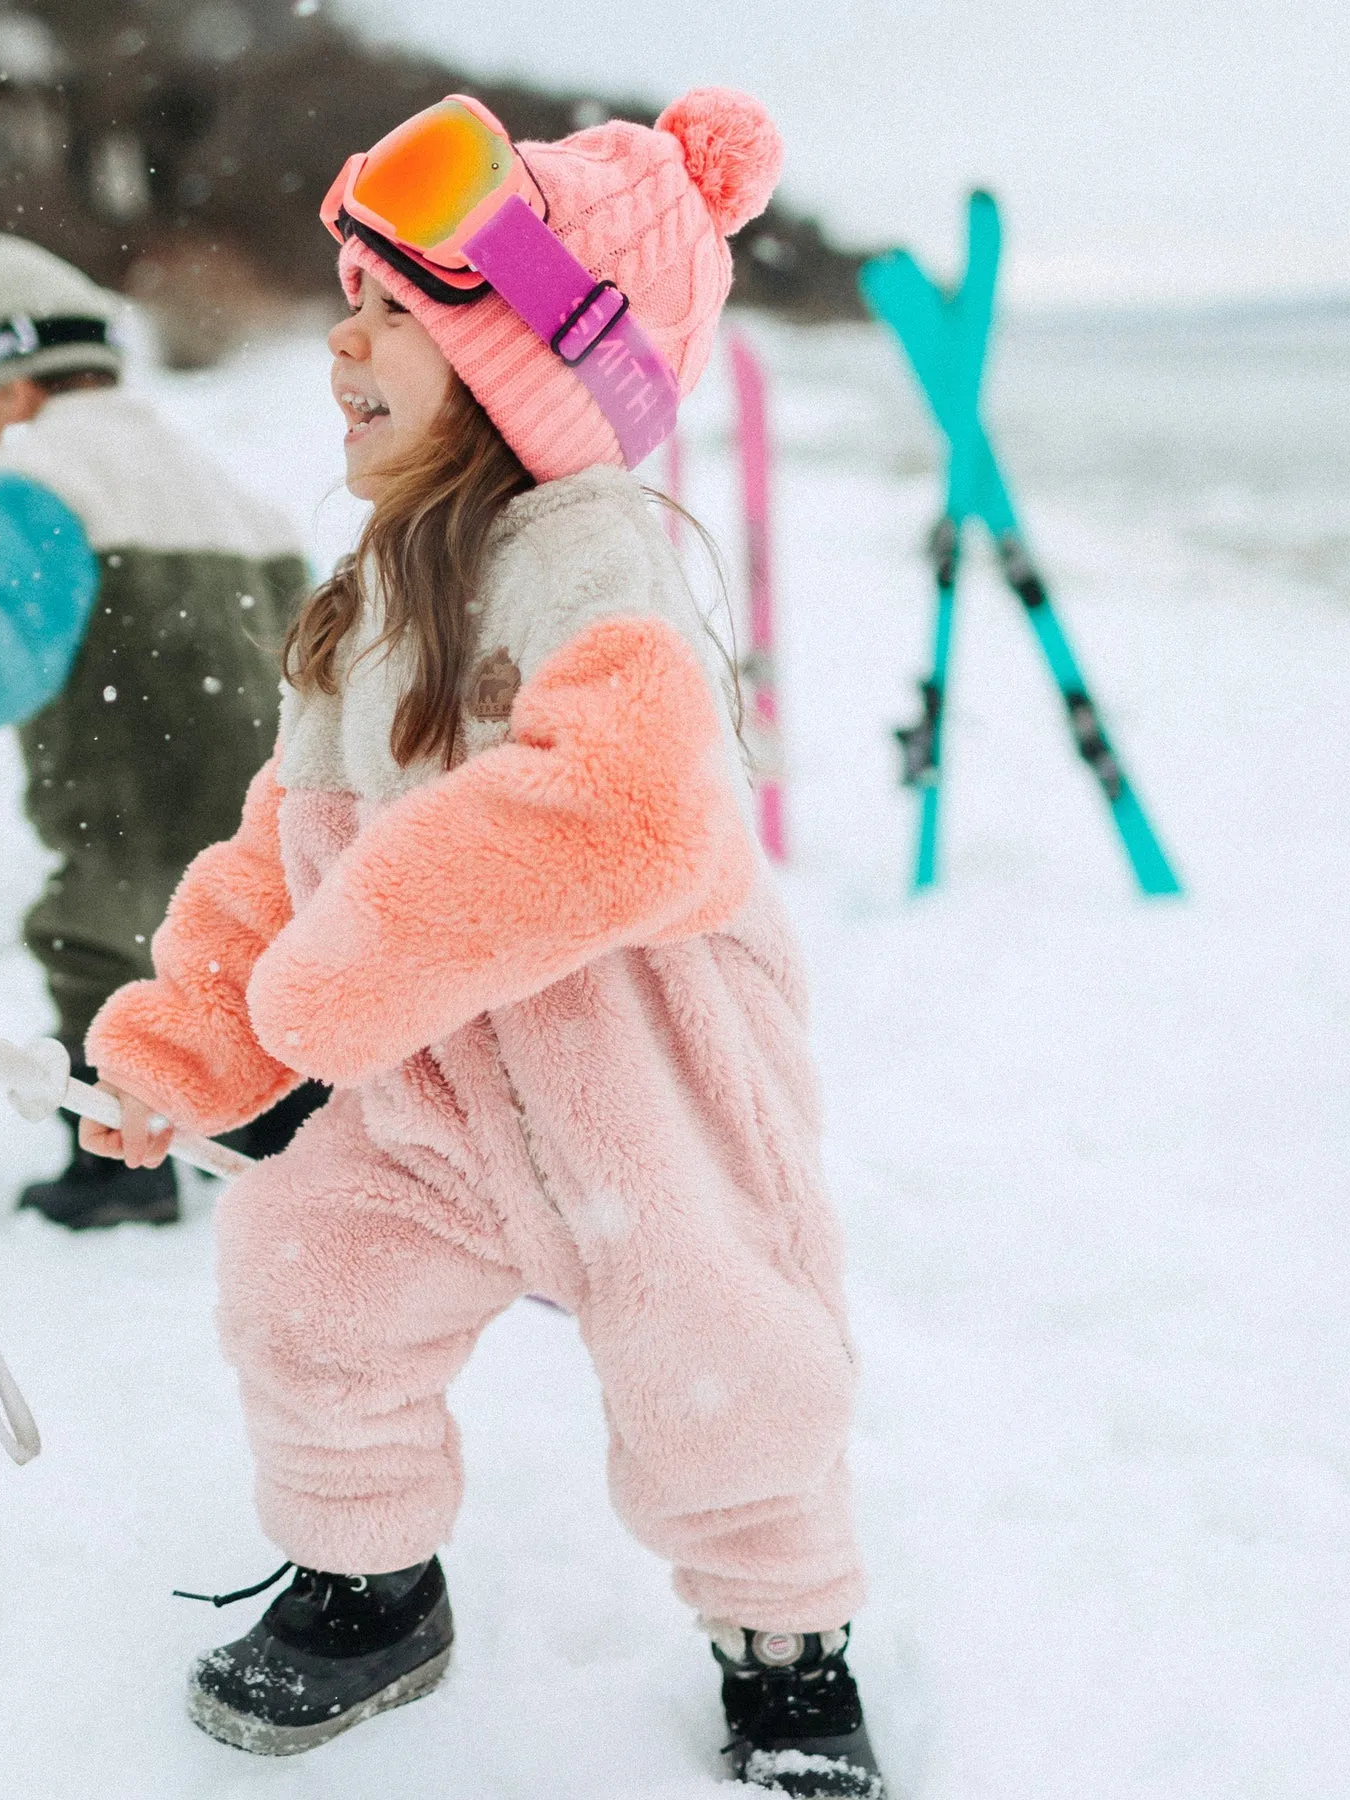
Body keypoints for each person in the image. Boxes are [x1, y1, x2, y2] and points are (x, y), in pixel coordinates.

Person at [81, 93, 884, 1796]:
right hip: (432, 1079)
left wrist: (330, 987)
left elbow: (631, 807)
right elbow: (277, 842)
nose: (340, 345)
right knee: (310, 1283)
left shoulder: (591, 555)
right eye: (347, 303)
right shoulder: (366, 601)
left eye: (393, 313)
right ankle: (372, 1584)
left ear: (532, 364)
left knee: (721, 1364)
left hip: (642, 1069)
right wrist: (196, 1035)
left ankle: (783, 1637)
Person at [0, 233, 324, 1230]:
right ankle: (290, 1136)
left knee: (98, 942)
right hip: (266, 792)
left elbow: (11, 632)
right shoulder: (229, 491)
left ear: (11, 388)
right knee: (255, 954)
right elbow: (315, 648)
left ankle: (118, 1170)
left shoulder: (38, 480)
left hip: (134, 787)